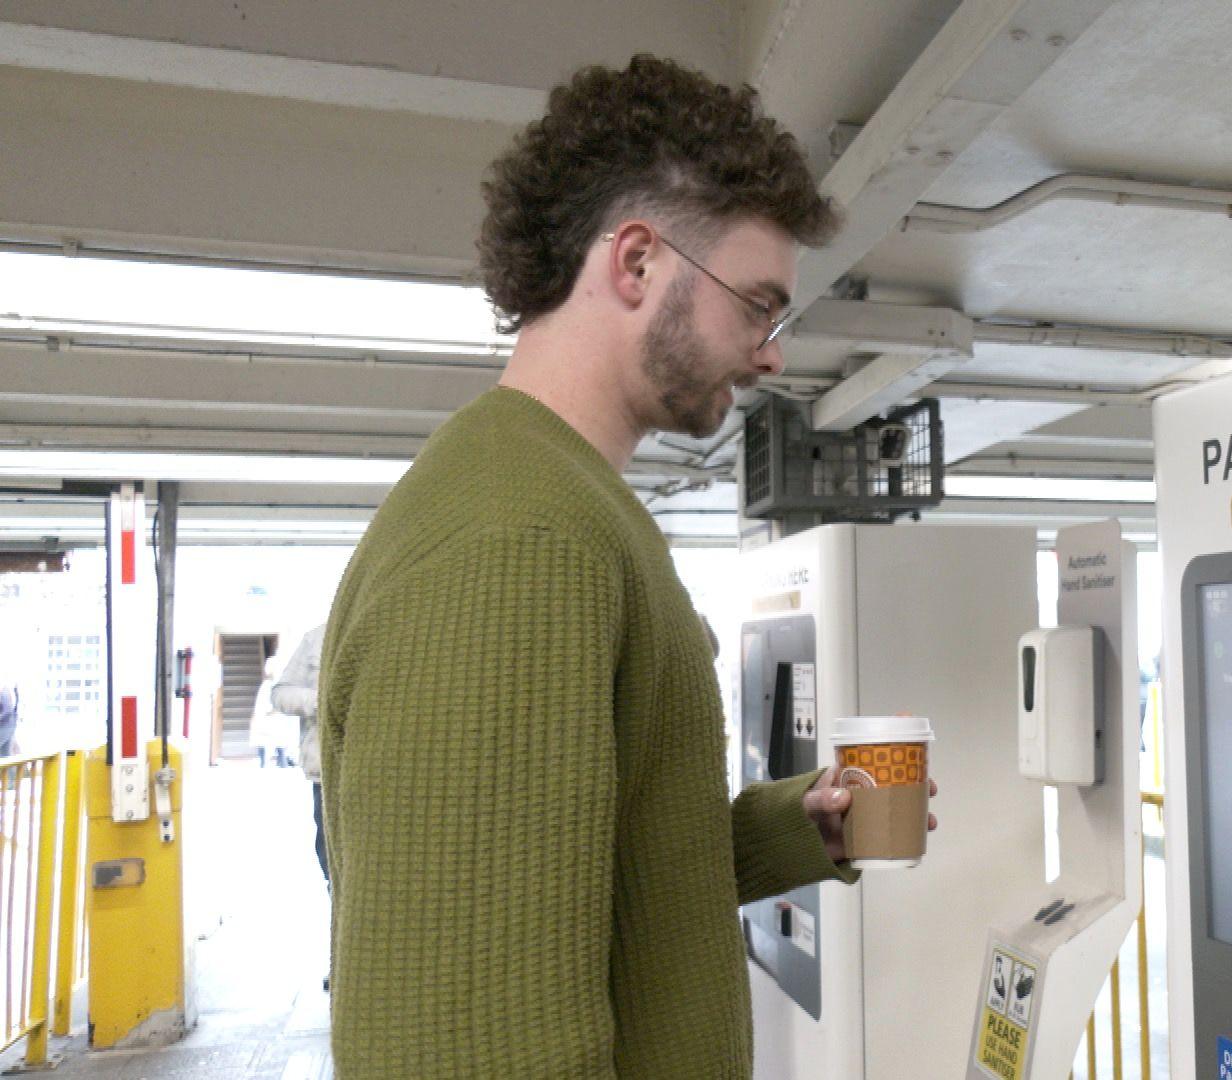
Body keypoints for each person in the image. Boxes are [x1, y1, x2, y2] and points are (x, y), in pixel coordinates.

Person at [318, 54, 933, 1078]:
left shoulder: (552, 501)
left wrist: (793, 834)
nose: (772, 352)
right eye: (758, 305)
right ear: (638, 264)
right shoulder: (521, 543)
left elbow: (589, 871)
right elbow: (476, 1047)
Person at [270, 624, 327, 885]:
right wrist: (322, 700)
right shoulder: (316, 638)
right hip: (326, 775)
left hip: (380, 775)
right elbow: (281, 695)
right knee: (330, 860)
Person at [247, 654, 298, 768]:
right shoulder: (266, 685)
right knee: (263, 742)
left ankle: (280, 762)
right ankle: (265, 763)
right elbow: (260, 704)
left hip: (274, 720)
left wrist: (273, 711)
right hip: (265, 719)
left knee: (279, 743)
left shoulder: (277, 685)